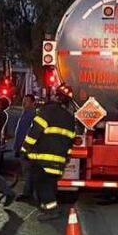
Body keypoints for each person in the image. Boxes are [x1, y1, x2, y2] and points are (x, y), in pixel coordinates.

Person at [20, 87, 77, 220]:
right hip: (58, 160)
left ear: (56, 97)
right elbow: (70, 141)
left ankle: (52, 211)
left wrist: (25, 149)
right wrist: (66, 157)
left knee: (42, 183)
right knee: (50, 184)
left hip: (43, 158)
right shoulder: (69, 118)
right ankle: (46, 208)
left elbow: (35, 131)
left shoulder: (47, 110)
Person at [12, 94, 37, 201]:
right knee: (27, 171)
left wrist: (26, 148)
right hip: (23, 148)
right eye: (23, 100)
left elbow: (29, 133)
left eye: (27, 100)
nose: (24, 102)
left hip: (27, 149)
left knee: (28, 171)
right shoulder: (26, 113)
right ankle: (29, 193)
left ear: (33, 103)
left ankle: (28, 194)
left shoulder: (32, 115)